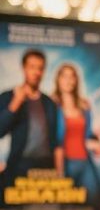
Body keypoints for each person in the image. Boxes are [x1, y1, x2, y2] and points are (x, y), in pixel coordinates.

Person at [0, 49, 60, 187]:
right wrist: (15, 103)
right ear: (24, 68)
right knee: (15, 208)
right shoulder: (9, 97)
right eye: (32, 67)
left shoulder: (49, 103)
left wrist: (58, 171)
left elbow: (55, 140)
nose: (36, 72)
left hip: (46, 168)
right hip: (19, 165)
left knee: (44, 209)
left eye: (40, 68)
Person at [51, 63, 100, 210]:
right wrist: (58, 172)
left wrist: (94, 142)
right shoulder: (52, 104)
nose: (69, 80)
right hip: (64, 163)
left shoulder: (84, 105)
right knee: (64, 209)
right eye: (65, 76)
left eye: (72, 76)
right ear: (58, 79)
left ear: (76, 80)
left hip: (84, 161)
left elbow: (88, 134)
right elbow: (51, 138)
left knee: (94, 202)